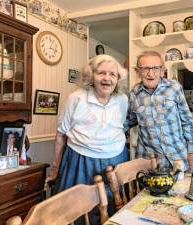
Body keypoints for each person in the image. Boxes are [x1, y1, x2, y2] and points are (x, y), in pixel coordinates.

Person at [47, 54, 129, 219]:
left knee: (115, 207)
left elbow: (119, 126)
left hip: (116, 160)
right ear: (92, 76)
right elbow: (61, 134)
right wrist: (55, 168)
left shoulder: (122, 99)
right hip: (80, 161)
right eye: (101, 73)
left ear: (118, 79)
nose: (107, 78)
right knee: (76, 211)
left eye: (112, 74)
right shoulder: (76, 98)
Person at [124, 51, 193, 171]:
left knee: (181, 189)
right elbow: (129, 121)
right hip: (148, 162)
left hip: (177, 158)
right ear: (138, 71)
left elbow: (188, 122)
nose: (151, 73)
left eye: (155, 68)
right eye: (145, 69)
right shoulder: (134, 94)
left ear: (162, 70)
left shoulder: (174, 88)